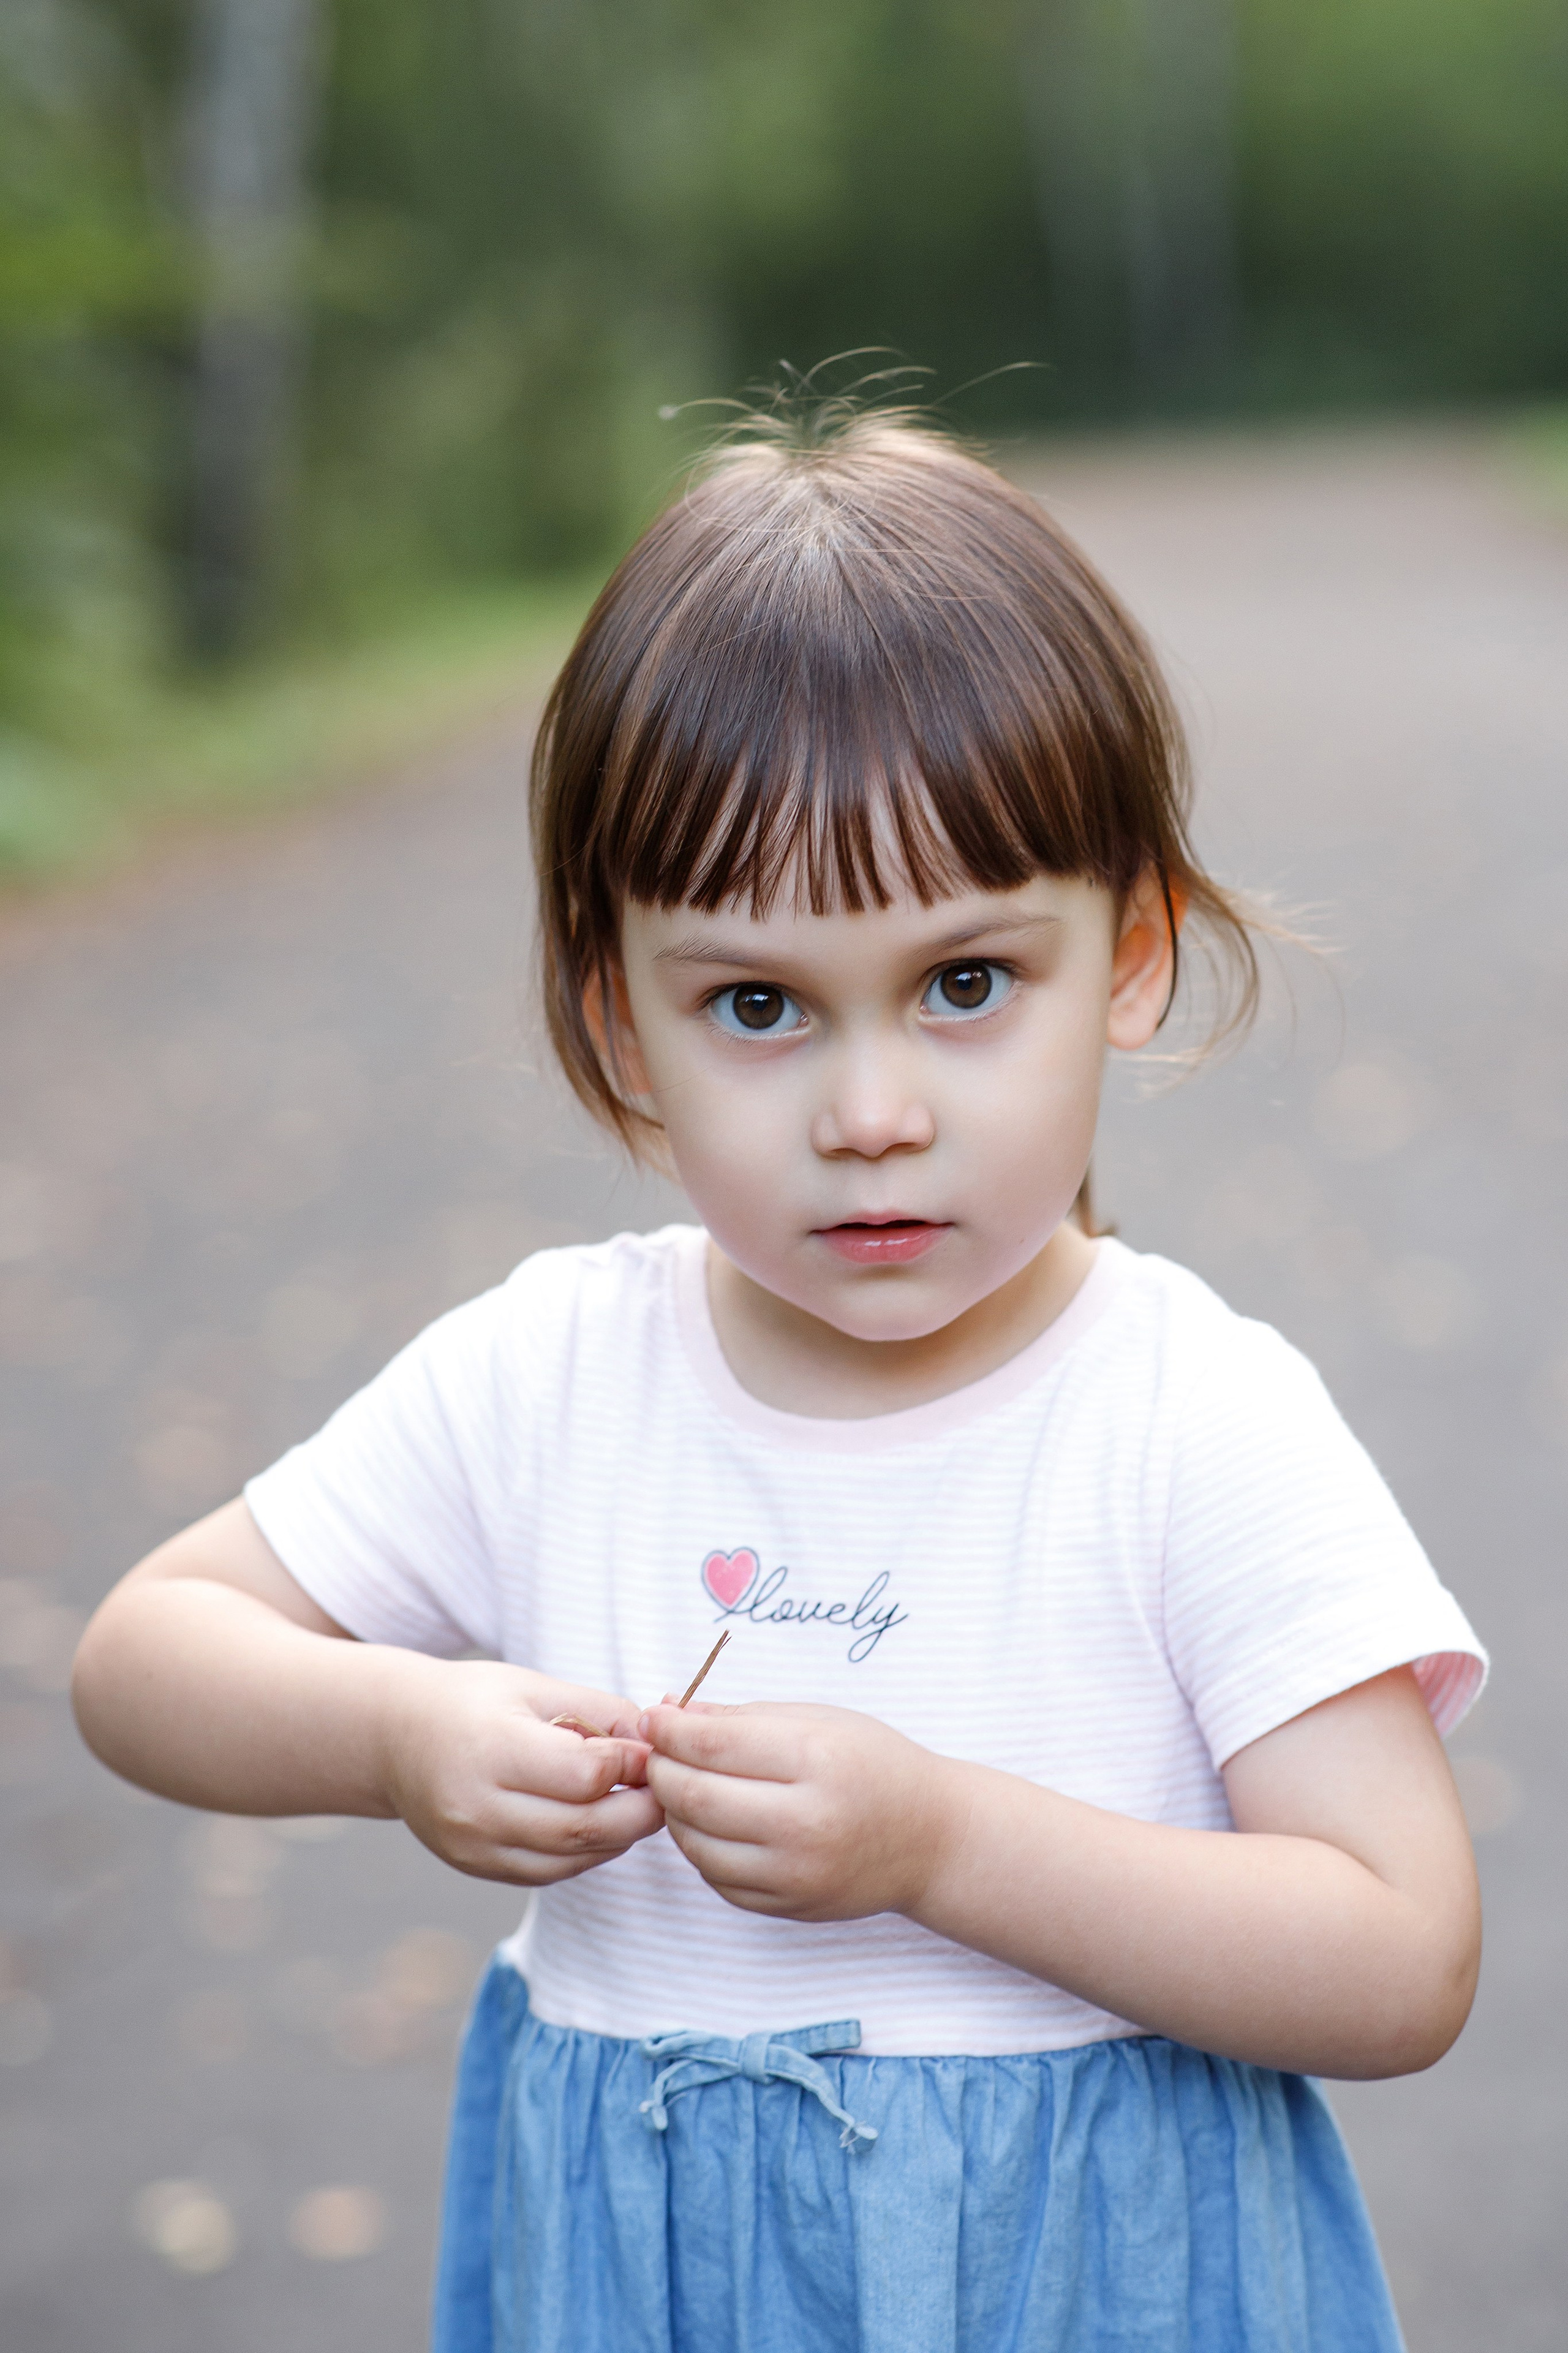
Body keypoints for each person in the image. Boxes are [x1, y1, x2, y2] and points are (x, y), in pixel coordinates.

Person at [72, 409, 1485, 2353]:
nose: (874, 1112)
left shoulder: (1187, 1420)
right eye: (757, 1006)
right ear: (620, 1023)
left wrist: (944, 1844)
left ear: (1134, 956)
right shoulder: (555, 1375)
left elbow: (1400, 1950)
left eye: (969, 983)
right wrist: (394, 1732)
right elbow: (145, 1656)